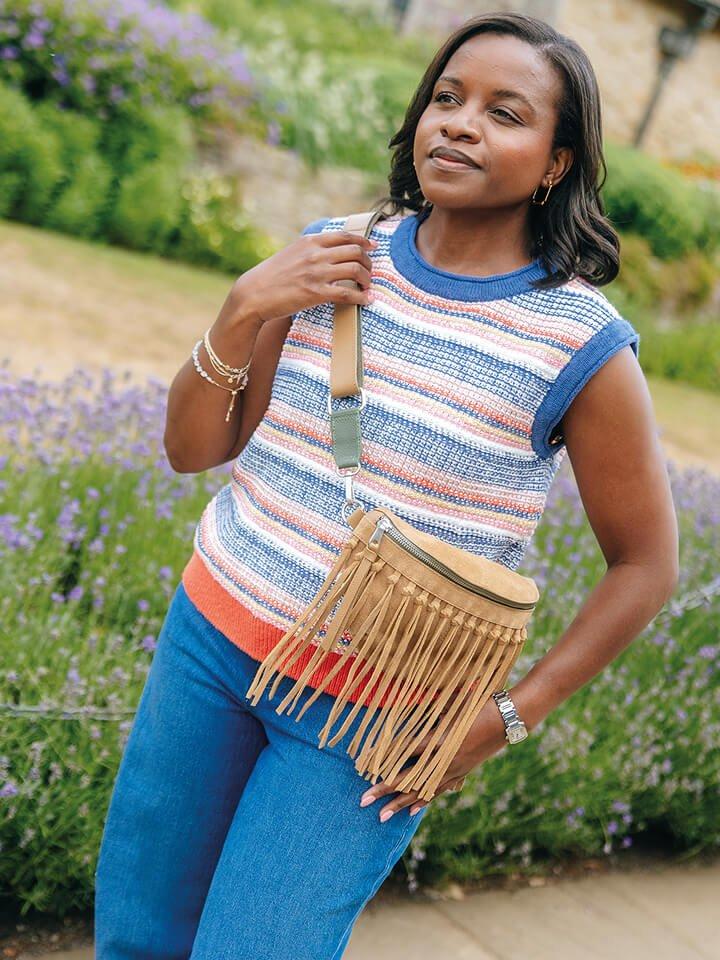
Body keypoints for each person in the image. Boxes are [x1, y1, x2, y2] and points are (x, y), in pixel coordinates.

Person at [93, 11, 679, 959]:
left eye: (503, 112)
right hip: (208, 643)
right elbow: (194, 448)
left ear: (558, 162)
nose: (459, 123)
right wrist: (245, 305)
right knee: (137, 938)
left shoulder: (581, 342)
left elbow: (647, 566)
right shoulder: (333, 251)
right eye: (445, 99)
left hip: (372, 721)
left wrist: (503, 721)